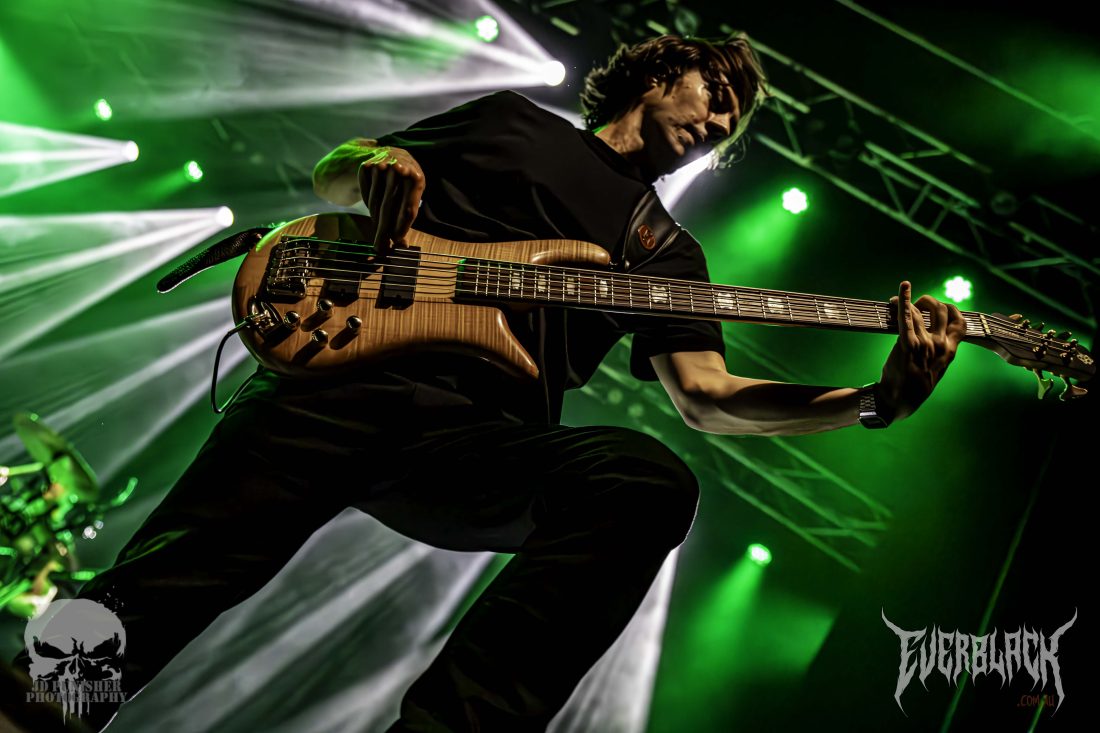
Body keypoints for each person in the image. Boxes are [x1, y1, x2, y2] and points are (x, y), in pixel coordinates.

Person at [5, 33, 964, 732]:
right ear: (659, 72)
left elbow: (708, 396)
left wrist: (874, 401)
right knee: (168, 570)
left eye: (730, 125)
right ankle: (27, 708)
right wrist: (378, 163)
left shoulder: (665, 251)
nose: (716, 124)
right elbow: (337, 173)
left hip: (471, 438)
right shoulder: (510, 122)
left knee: (646, 481)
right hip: (341, 368)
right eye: (714, 96)